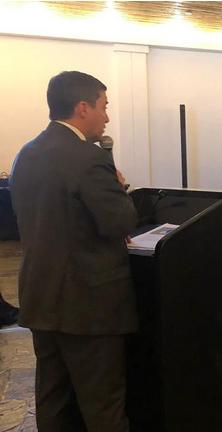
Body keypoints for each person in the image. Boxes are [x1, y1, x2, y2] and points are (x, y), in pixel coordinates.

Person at [10, 71, 137, 430]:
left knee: (54, 400)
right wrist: (120, 188)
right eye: (103, 107)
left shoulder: (26, 154)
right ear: (83, 107)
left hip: (41, 297)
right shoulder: (88, 157)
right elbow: (119, 221)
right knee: (103, 406)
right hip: (87, 305)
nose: (107, 117)